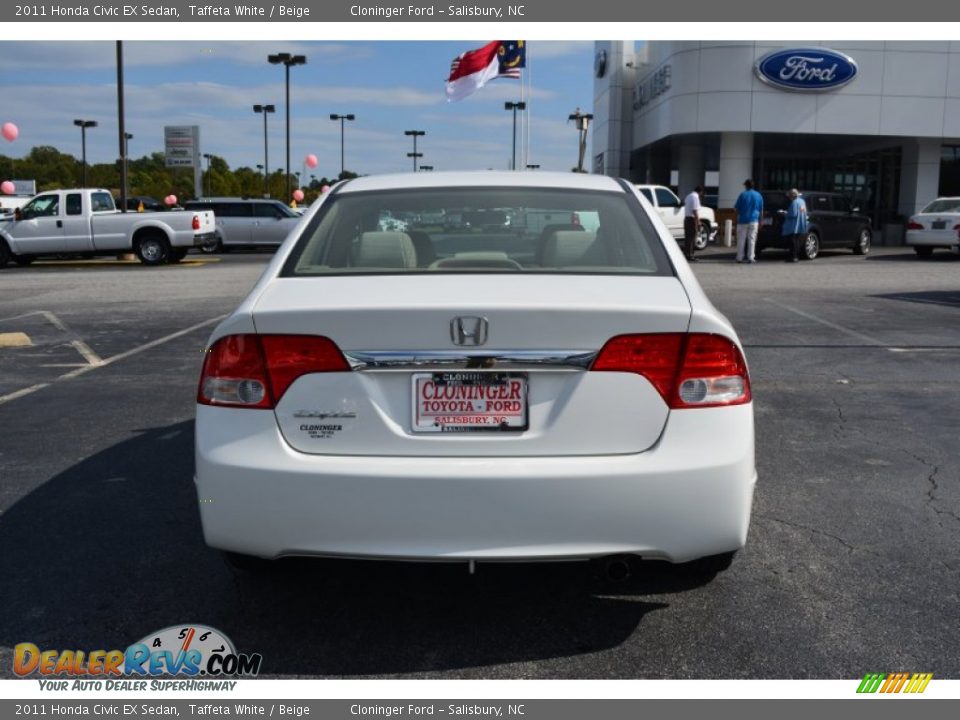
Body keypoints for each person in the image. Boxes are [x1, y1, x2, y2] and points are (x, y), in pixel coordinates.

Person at [734, 179, 763, 263]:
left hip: (742, 220)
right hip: (754, 220)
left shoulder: (742, 195)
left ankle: (739, 257)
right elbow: (761, 210)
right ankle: (751, 257)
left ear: (746, 186)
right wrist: (761, 220)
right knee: (752, 239)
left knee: (741, 240)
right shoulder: (758, 195)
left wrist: (736, 219)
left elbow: (736, 209)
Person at [782, 189, 808, 262]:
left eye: (790, 196)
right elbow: (803, 211)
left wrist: (784, 213)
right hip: (800, 224)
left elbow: (793, 214)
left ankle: (793, 257)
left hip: (793, 225)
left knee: (792, 242)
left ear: (792, 196)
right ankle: (796, 256)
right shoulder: (802, 201)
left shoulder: (794, 202)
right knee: (797, 241)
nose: (789, 197)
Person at [682, 185, 703, 262]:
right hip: (692, 219)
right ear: (700, 192)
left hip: (686, 218)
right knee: (692, 237)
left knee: (687, 237)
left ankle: (686, 254)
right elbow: (695, 210)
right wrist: (698, 221)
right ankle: (690, 255)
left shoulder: (688, 196)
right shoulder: (695, 197)